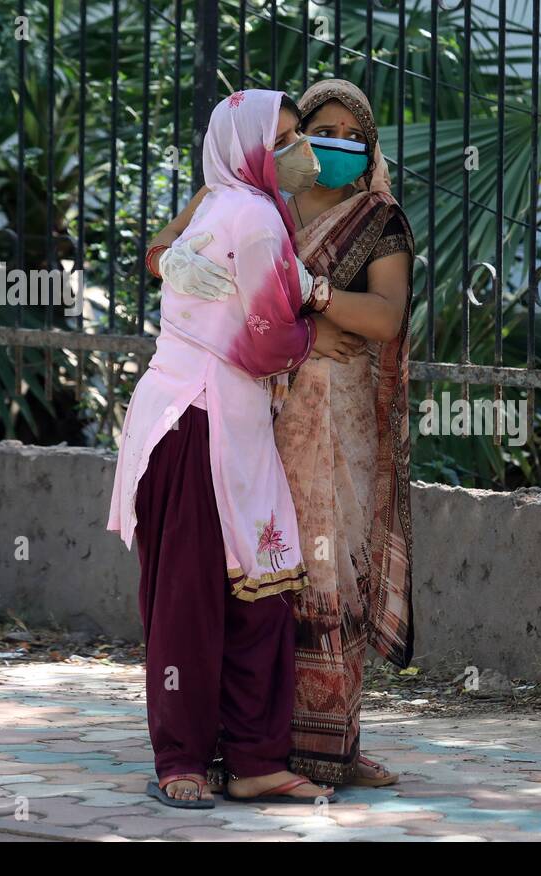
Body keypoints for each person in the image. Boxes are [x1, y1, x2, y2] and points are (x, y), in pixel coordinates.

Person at [148, 78, 415, 789]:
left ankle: (332, 743)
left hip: (337, 415)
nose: (326, 147)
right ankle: (252, 746)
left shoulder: (378, 220)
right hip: (256, 413)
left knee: (331, 570)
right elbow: (164, 251)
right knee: (266, 573)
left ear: (370, 145)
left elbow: (386, 317)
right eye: (311, 131)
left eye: (348, 136)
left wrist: (318, 306)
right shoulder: (255, 197)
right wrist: (176, 262)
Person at [108, 88, 359, 807]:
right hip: (196, 420)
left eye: (292, 136)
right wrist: (315, 331)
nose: (295, 151)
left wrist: (302, 299)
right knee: (203, 596)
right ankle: (189, 759)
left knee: (252, 589)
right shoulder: (249, 215)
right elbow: (263, 339)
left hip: (221, 422)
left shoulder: (236, 207)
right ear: (244, 149)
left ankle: (243, 757)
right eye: (279, 139)